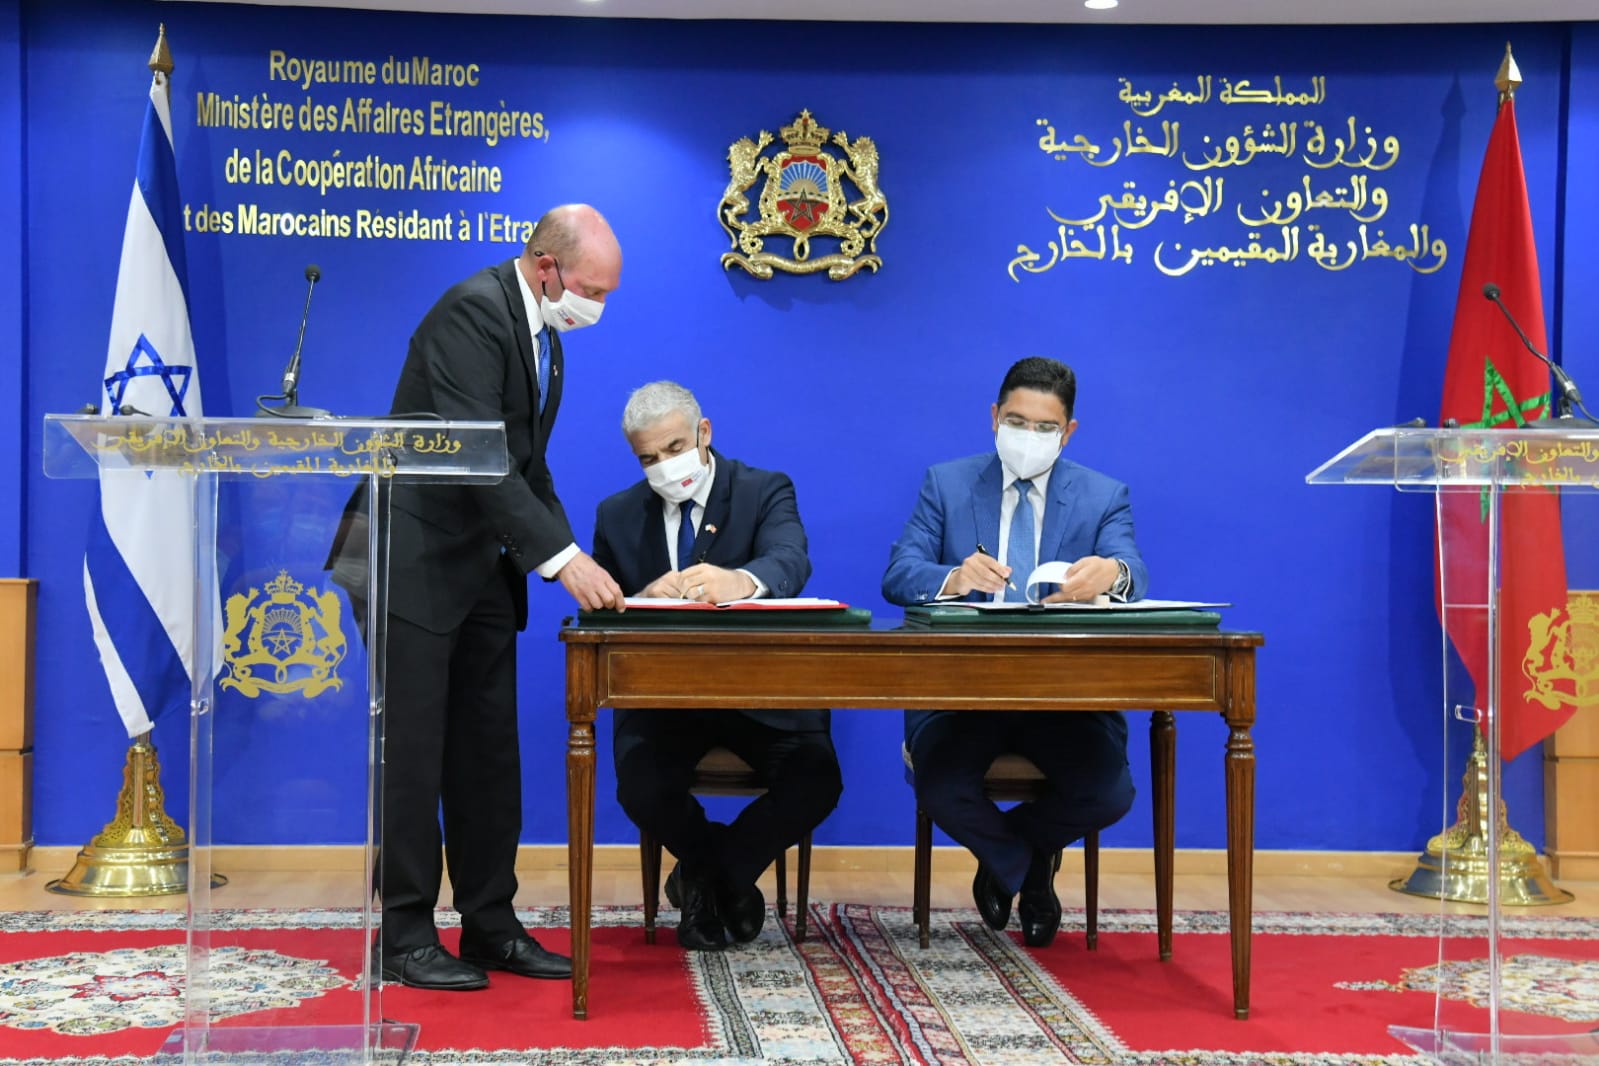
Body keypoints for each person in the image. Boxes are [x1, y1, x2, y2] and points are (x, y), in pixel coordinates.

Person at [329, 204, 626, 991]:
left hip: (484, 566)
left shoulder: (544, 336)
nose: (597, 306)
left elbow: (527, 466)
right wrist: (562, 561)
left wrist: (574, 555)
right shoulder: (472, 311)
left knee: (488, 755)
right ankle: (403, 935)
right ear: (545, 266)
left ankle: (490, 924)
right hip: (413, 559)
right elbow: (477, 456)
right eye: (592, 289)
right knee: (413, 755)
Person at [881, 356, 1146, 948]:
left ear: (1068, 432)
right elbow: (899, 574)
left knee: (1110, 793)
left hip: (1064, 697)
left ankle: (1010, 856)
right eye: (1017, 422)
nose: (1029, 436)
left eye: (1045, 427)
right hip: (962, 693)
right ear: (994, 417)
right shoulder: (947, 484)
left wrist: (1112, 573)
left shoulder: (1103, 495)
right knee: (940, 788)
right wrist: (953, 576)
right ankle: (1030, 871)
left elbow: (1133, 567)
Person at [591, 381, 843, 951]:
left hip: (764, 695)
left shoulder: (763, 489)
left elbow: (790, 559)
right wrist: (640, 598)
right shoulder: (617, 514)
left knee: (816, 780)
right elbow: (606, 612)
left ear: (704, 433)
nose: (664, 466)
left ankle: (706, 876)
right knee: (642, 787)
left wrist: (741, 582)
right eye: (648, 458)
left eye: (675, 447)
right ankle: (719, 878)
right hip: (664, 702)